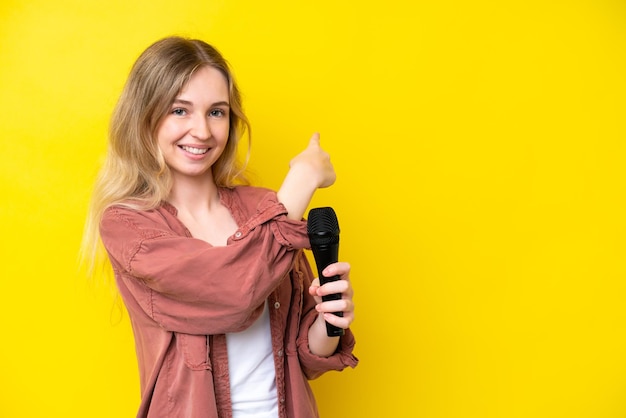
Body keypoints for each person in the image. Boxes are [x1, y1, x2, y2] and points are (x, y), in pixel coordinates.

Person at [81, 36, 358, 418]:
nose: (202, 131)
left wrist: (330, 321)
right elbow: (234, 293)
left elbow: (305, 359)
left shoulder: (262, 209)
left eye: (216, 112)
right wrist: (303, 178)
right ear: (145, 117)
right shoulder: (129, 227)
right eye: (180, 111)